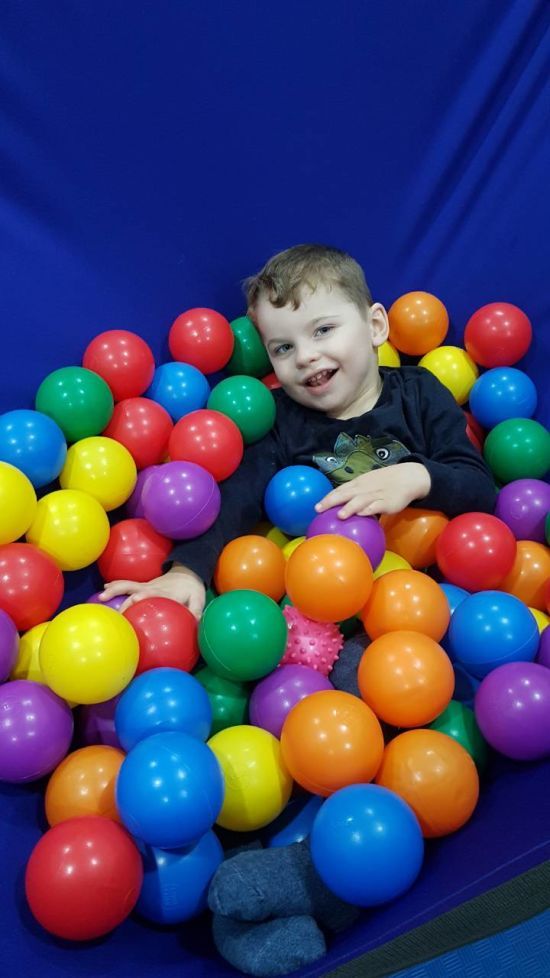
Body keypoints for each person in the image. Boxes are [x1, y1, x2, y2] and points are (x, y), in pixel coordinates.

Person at [100, 244, 496, 977]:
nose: (305, 357)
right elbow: (235, 500)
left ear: (375, 325)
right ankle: (248, 870)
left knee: (392, 725)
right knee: (271, 729)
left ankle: (317, 885)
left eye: (323, 331)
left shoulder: (418, 395)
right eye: (283, 347)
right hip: (313, 623)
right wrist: (186, 572)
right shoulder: (282, 423)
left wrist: (416, 478)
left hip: (415, 621)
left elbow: (480, 486)